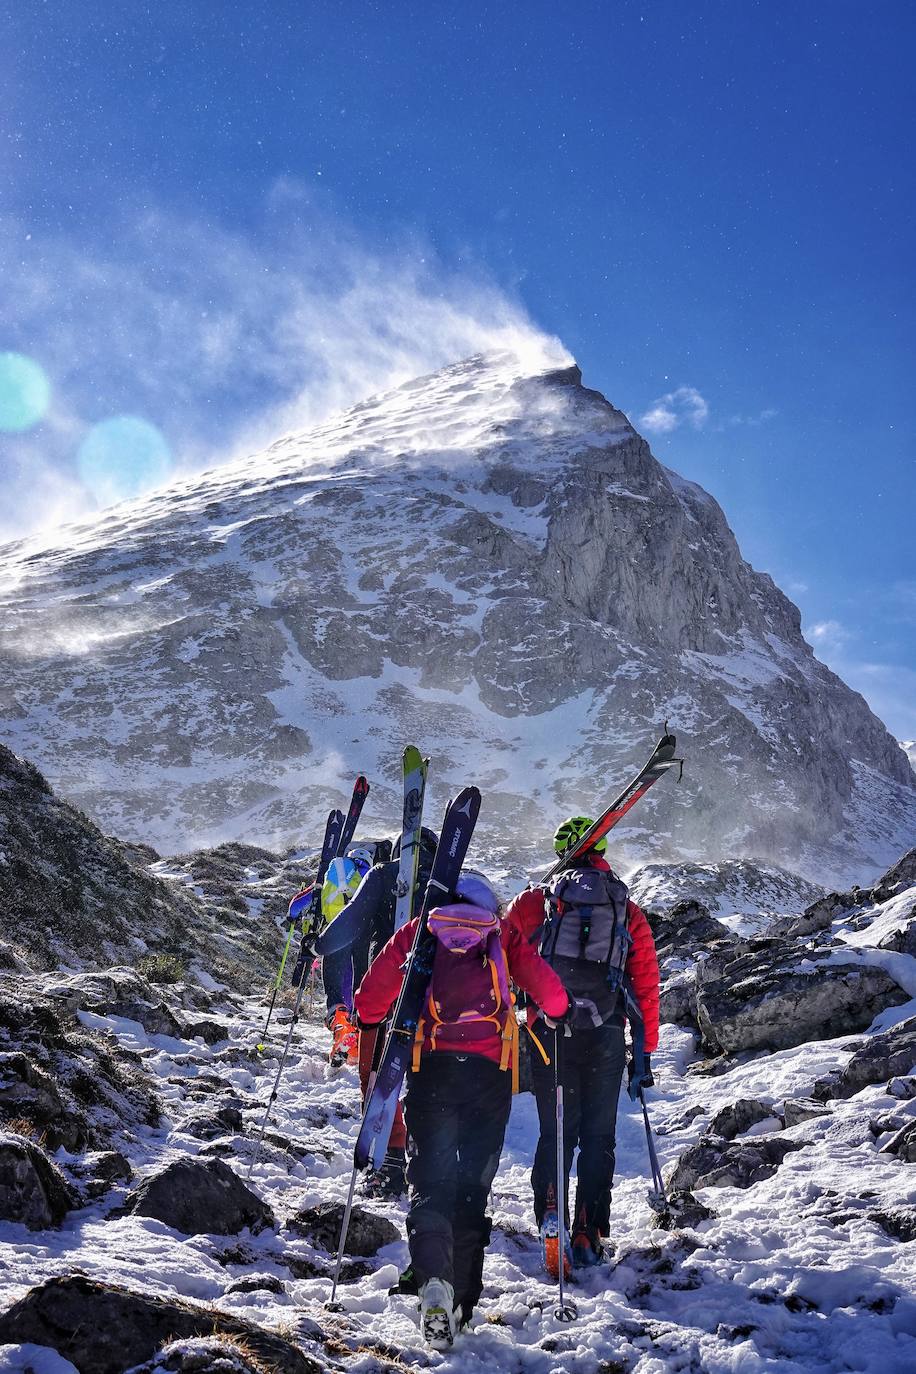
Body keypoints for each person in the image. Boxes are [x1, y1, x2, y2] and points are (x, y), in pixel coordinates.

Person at [354, 870, 570, 1348]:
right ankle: (464, 1304)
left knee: (430, 1181)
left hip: (430, 1072)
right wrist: (556, 1013)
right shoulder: (501, 932)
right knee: (473, 1188)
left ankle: (434, 1278)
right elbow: (552, 994)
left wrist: (369, 1023)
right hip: (489, 1079)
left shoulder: (421, 930)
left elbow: (370, 999)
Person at [505, 816, 660, 1271]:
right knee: (599, 1137)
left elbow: (503, 957)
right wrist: (644, 1051)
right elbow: (645, 985)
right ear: (604, 851)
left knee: (557, 1131)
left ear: (559, 853)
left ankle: (550, 1215)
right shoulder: (626, 909)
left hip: (549, 1033)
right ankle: (590, 1231)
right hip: (608, 1034)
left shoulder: (536, 902)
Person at [316, 828, 440, 1197]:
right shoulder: (451, 882)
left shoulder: (384, 876)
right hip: (438, 1001)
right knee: (431, 1083)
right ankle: (430, 1164)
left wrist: (319, 946)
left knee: (378, 1081)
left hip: (383, 995)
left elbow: (348, 923)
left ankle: (388, 1162)